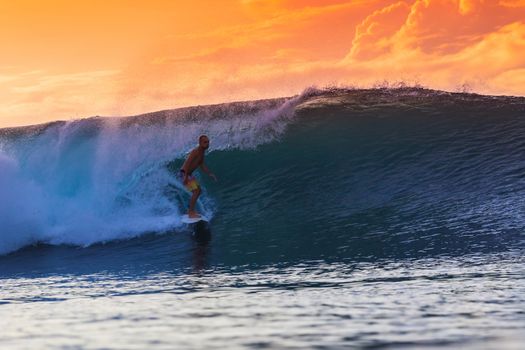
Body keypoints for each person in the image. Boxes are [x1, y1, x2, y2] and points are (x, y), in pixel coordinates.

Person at [179, 135, 217, 218]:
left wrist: (210, 173)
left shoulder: (202, 153)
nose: (207, 144)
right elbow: (187, 163)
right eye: (205, 142)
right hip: (184, 173)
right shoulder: (195, 151)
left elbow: (202, 165)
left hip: (188, 174)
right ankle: (190, 212)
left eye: (208, 142)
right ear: (200, 143)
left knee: (198, 191)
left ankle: (190, 210)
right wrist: (185, 177)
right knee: (197, 191)